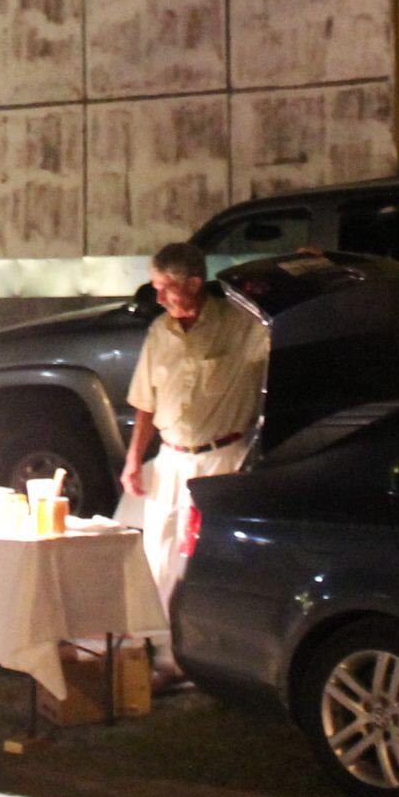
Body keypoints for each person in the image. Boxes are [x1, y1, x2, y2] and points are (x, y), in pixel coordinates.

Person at [117, 240, 268, 625]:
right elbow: (144, 402)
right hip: (170, 461)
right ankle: (160, 648)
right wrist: (134, 459)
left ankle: (201, 648)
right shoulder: (159, 332)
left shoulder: (239, 326)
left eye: (166, 286)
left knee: (205, 560)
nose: (159, 295)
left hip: (222, 460)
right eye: (156, 286)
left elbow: (285, 320)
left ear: (195, 283)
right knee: (159, 553)